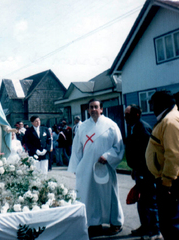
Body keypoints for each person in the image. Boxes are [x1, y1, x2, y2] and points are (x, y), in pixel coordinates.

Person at [67, 99, 125, 237]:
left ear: (101, 109)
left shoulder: (111, 125)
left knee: (110, 194)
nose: (93, 109)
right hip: (86, 168)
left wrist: (108, 156)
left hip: (105, 166)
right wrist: (77, 167)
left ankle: (115, 222)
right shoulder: (82, 127)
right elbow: (77, 149)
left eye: (96, 107)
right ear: (88, 110)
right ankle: (94, 223)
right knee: (90, 195)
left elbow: (118, 147)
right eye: (91, 107)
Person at [145, 90, 179, 239]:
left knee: (171, 224)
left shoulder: (170, 121)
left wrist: (166, 183)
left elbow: (174, 155)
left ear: (160, 104)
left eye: (151, 103)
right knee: (168, 224)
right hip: (166, 181)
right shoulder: (166, 119)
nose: (150, 107)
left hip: (169, 184)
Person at [124, 104, 161, 239]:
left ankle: (155, 230)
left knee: (150, 201)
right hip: (139, 171)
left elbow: (148, 154)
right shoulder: (133, 127)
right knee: (142, 201)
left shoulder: (143, 129)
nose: (125, 117)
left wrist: (142, 170)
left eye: (128, 114)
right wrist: (134, 169)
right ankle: (145, 227)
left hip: (147, 172)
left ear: (137, 115)